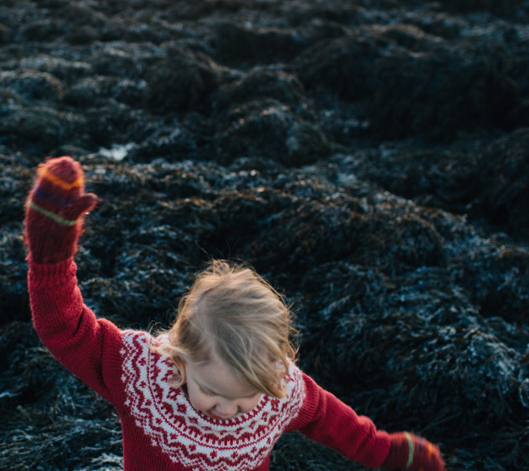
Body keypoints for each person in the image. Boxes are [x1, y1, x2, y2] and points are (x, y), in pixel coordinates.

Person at [25, 156, 446, 471]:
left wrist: (386, 453)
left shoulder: (281, 391)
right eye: (212, 392)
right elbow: (66, 329)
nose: (228, 409)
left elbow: (334, 423)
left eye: (245, 399)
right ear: (180, 356)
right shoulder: (139, 374)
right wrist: (51, 258)